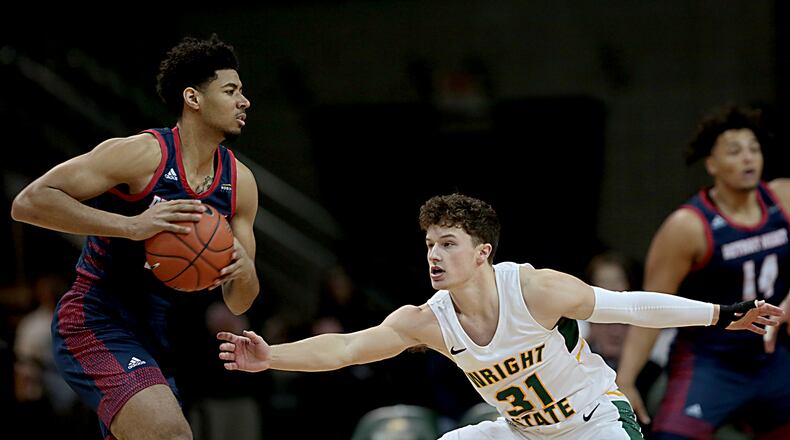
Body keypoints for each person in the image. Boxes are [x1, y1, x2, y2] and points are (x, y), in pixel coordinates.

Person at [217, 193, 782, 440]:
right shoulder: (427, 320)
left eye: (448, 244)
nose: (434, 255)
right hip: (523, 432)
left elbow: (632, 304)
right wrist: (271, 358)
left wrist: (720, 313)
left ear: (482, 252)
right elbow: (345, 348)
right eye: (429, 245)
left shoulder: (536, 289)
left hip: (594, 424)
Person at [11, 34, 260, 440]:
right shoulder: (142, 154)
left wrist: (244, 270)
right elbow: (29, 202)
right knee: (171, 434)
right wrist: (131, 226)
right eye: (231, 90)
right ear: (193, 98)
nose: (244, 101)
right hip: (95, 319)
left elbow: (238, 300)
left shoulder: (241, 183)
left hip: (157, 334)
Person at [616, 104, 790, 439]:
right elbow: (650, 303)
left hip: (770, 357)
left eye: (754, 149)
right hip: (710, 360)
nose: (748, 158)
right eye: (735, 151)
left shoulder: (783, 197)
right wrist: (626, 378)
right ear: (712, 164)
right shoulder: (688, 226)